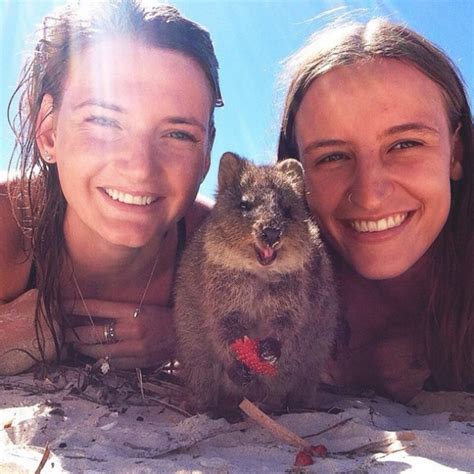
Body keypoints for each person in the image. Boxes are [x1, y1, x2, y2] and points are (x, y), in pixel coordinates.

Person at [0, 0, 223, 375]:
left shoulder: (218, 247)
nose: (139, 169)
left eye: (178, 134)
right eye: (103, 120)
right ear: (48, 132)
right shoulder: (7, 224)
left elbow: (294, 349)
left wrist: (185, 333)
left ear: (206, 155)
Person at [278, 18, 473, 402]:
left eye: (404, 145)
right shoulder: (271, 279)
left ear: (457, 152)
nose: (369, 195)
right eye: (333, 156)